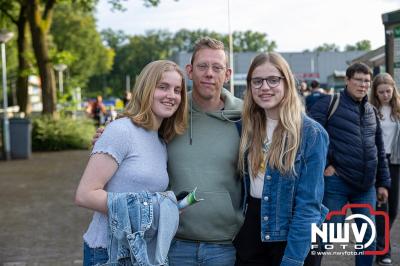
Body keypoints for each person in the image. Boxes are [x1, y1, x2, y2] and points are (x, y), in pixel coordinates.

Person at [92, 37, 244, 265]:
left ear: (228, 74)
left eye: (217, 67)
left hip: (224, 246)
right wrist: (106, 139)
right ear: (190, 71)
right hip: (171, 242)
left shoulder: (246, 117)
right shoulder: (172, 112)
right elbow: (137, 128)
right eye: (202, 66)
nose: (209, 73)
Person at [75, 60, 188, 266]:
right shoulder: (121, 130)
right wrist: (153, 208)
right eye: (162, 87)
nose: (171, 95)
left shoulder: (160, 140)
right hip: (108, 252)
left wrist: (169, 207)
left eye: (177, 90)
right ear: (146, 89)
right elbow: (85, 195)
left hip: (140, 253)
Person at [233, 52, 329, 266]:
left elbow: (308, 206)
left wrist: (293, 259)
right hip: (251, 232)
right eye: (257, 81)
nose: (264, 87)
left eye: (273, 80)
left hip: (294, 236)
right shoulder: (245, 128)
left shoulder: (310, 133)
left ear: (287, 82)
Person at [309, 62, 391, 266]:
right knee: (325, 237)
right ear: (347, 80)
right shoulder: (329, 103)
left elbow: (379, 149)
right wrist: (326, 164)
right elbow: (310, 136)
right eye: (358, 80)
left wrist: (383, 182)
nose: (363, 85)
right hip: (336, 183)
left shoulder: (372, 111)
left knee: (368, 239)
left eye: (366, 81)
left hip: (366, 186)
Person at [370, 73, 400, 266]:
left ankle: (379, 242)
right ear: (376, 93)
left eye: (388, 91)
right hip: (378, 162)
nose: (385, 95)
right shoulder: (371, 110)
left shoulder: (398, 110)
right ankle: (383, 250)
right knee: (382, 206)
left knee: (394, 209)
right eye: (381, 92)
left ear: (393, 89)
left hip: (396, 162)